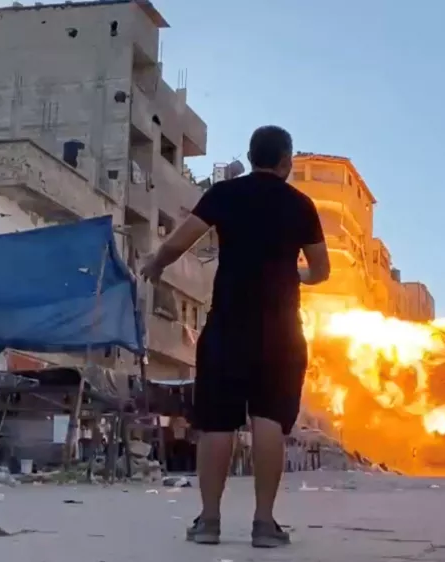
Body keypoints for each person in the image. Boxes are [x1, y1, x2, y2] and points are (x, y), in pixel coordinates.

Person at [140, 125, 330, 548]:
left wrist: (155, 264)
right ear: (286, 162)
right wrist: (293, 273)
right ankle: (264, 524)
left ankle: (208, 522)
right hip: (281, 331)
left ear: (250, 154)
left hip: (228, 324)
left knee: (217, 423)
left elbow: (180, 241)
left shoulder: (224, 195)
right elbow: (321, 271)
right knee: (269, 422)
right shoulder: (300, 205)